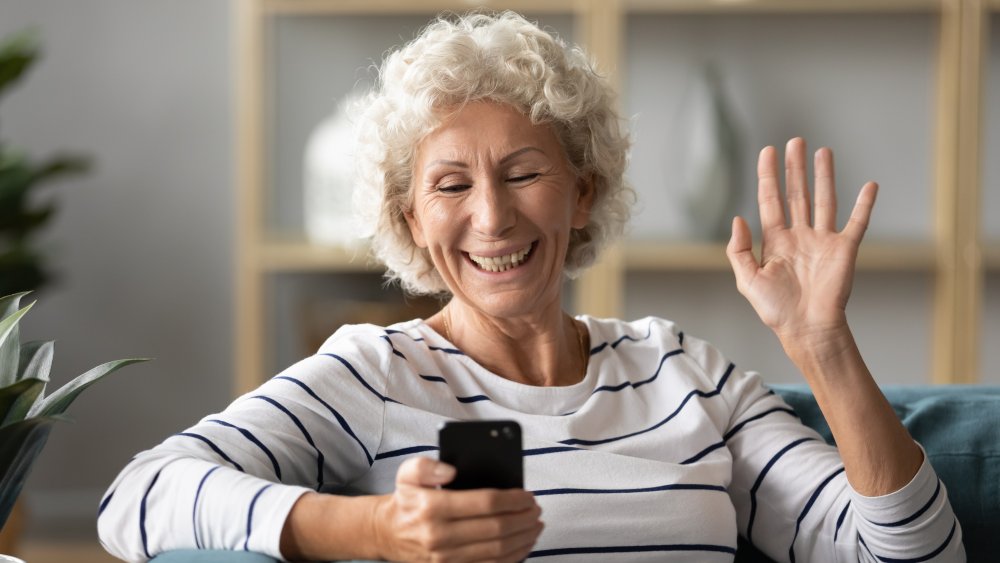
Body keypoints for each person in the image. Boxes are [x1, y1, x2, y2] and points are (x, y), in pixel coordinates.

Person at [98, 11, 963, 563]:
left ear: (582, 190)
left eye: (523, 173)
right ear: (410, 219)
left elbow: (910, 554)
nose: (492, 218)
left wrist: (822, 345)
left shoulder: (685, 373)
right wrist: (375, 532)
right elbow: (137, 498)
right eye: (450, 186)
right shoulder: (372, 371)